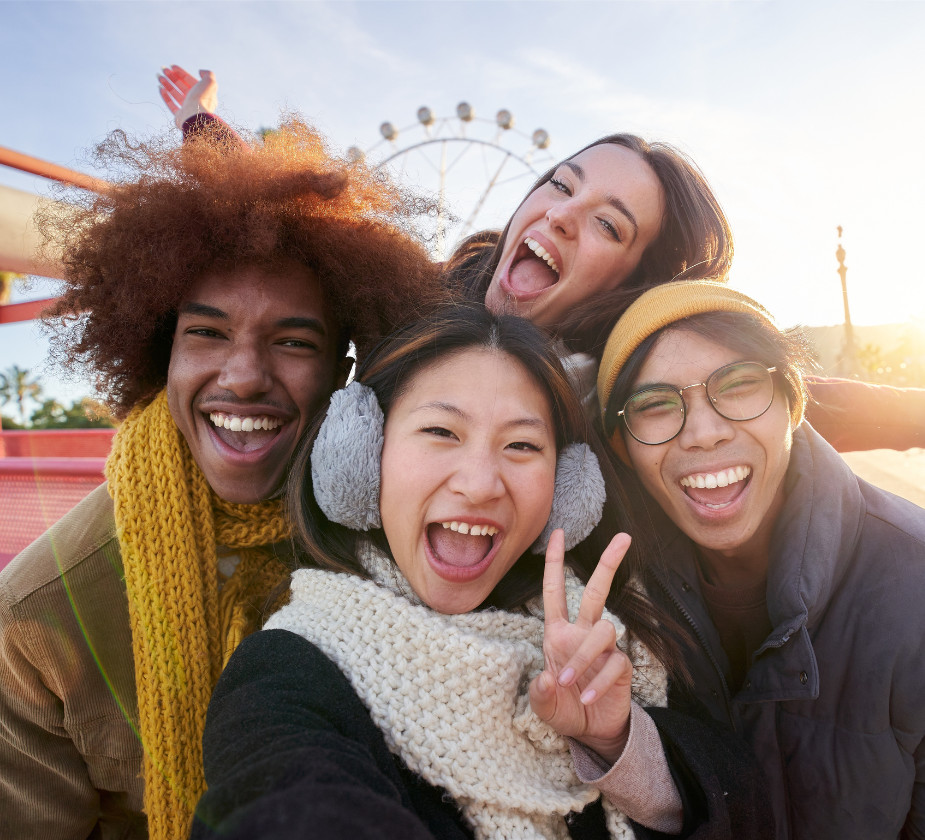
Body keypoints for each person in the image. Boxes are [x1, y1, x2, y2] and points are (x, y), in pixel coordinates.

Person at [0, 118, 442, 840]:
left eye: (293, 342)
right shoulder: (37, 614)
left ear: (341, 374)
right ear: (157, 354)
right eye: (206, 332)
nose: (243, 377)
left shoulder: (405, 545)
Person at [189, 302, 771, 840]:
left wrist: (616, 741)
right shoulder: (287, 670)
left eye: (521, 446)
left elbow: (747, 802)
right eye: (441, 432)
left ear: (565, 490)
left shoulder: (613, 640)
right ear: (366, 454)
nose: (480, 483)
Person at [158, 64, 925, 451]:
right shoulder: (415, 298)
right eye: (559, 184)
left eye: (607, 225)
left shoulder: (628, 383)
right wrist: (204, 126)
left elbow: (794, 394)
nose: (559, 215)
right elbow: (309, 233)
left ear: (635, 284)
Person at [595, 280, 925, 839]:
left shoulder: (913, 583)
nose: (704, 433)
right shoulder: (613, 599)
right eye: (654, 405)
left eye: (740, 384)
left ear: (792, 401)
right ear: (623, 448)